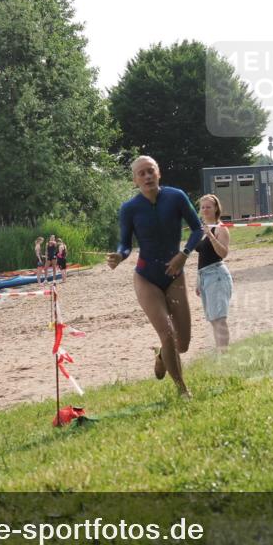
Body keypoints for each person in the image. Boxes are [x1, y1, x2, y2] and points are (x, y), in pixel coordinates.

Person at [107, 155, 204, 398]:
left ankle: (162, 355)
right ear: (135, 180)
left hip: (175, 275)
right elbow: (125, 244)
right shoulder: (129, 208)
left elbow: (198, 228)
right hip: (146, 278)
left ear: (158, 173)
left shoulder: (176, 197)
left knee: (182, 344)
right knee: (167, 333)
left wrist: (184, 254)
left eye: (151, 171)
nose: (147, 176)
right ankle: (183, 390)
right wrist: (119, 256)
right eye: (141, 173)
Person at [196, 194, 233, 352]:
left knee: (219, 319)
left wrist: (211, 236)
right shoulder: (202, 228)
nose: (205, 210)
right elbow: (201, 256)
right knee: (213, 319)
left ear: (216, 208)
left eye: (208, 207)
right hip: (205, 276)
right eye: (203, 207)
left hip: (217, 275)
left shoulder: (220, 228)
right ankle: (220, 352)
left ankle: (223, 354)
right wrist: (198, 281)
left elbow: (223, 253)